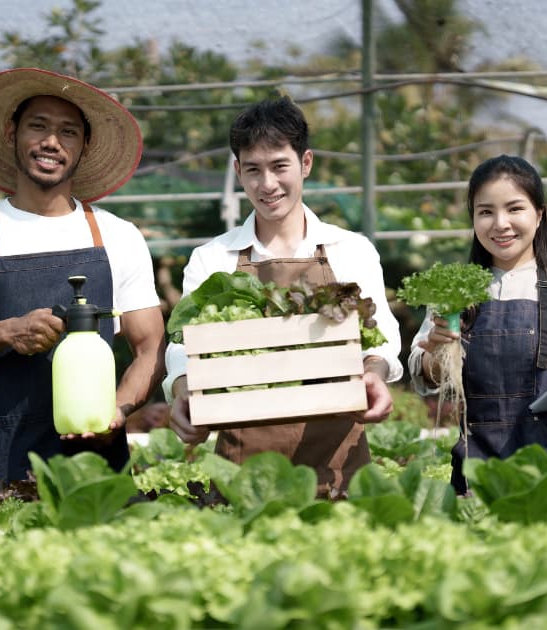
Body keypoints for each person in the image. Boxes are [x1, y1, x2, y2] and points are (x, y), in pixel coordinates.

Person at [0, 68, 164, 486]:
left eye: (68, 132)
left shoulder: (119, 235)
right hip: (0, 461)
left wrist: (117, 409)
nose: (51, 142)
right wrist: (6, 332)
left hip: (96, 460)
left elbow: (151, 348)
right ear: (12, 134)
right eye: (38, 126)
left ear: (84, 146)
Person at [163, 97, 402, 496]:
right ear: (238, 171)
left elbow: (381, 339)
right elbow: (181, 346)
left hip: (338, 467)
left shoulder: (351, 249)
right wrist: (184, 388)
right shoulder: (211, 259)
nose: (267, 184)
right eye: (253, 170)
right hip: (244, 473)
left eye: (279, 166)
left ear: (305, 163)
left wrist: (373, 374)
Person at [409, 155, 547, 494]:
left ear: (540, 214)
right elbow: (425, 379)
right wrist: (439, 354)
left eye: (515, 209)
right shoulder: (451, 294)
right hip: (480, 478)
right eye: (485, 212)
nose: (500, 223)